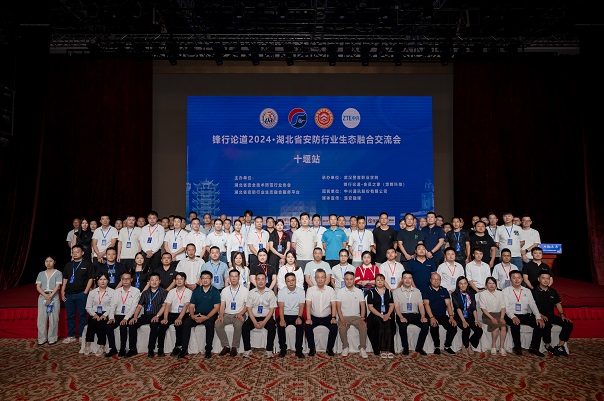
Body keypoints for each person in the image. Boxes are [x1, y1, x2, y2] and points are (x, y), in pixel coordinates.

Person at [178, 271, 221, 359]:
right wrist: (192, 316)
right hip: (197, 314)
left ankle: (208, 349)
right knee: (186, 322)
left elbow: (216, 308)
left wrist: (206, 317)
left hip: (209, 315)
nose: (205, 280)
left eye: (207, 278)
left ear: (211, 279)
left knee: (210, 325)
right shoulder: (196, 291)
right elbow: (191, 306)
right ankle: (184, 349)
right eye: (203, 278)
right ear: (200, 279)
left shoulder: (215, 291)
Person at [502, 270, 545, 356]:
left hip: (525, 315)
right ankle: (517, 347)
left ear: (522, 279)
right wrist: (513, 317)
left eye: (518, 278)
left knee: (539, 324)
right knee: (515, 324)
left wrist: (538, 317)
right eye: (514, 278)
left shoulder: (527, 291)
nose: (516, 280)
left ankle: (534, 347)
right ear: (510, 279)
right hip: (511, 315)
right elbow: (506, 307)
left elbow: (533, 305)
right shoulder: (505, 291)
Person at [532, 270, 572, 356]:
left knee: (568, 324)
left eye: (548, 278)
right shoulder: (534, 291)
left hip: (551, 315)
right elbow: (531, 307)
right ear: (539, 279)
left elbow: (558, 304)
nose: (546, 280)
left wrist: (562, 314)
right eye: (543, 278)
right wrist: (540, 315)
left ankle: (560, 346)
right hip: (539, 316)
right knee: (546, 324)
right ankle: (547, 345)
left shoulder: (553, 291)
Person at [127, 272, 168, 357]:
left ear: (159, 281)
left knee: (154, 324)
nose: (154, 282)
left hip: (157, 315)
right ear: (149, 281)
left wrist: (157, 316)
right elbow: (139, 306)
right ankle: (132, 349)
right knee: (132, 324)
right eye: (152, 280)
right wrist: (135, 317)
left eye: (156, 280)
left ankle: (151, 349)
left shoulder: (164, 292)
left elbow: (164, 306)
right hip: (146, 316)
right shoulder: (145, 293)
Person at [61, 245, 95, 343]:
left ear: (82, 253)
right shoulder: (68, 265)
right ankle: (70, 335)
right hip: (68, 294)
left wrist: (85, 292)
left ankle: (81, 335)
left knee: (82, 316)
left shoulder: (87, 264)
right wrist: (62, 292)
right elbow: (65, 279)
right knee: (70, 316)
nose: (75, 254)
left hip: (81, 294)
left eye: (77, 252)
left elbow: (91, 279)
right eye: (73, 252)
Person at [242, 272, 278, 358]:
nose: (261, 281)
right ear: (255, 281)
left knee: (272, 327)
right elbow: (249, 309)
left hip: (267, 317)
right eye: (258, 279)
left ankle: (269, 350)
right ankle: (247, 349)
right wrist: (254, 322)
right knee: (245, 326)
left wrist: (264, 322)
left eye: (263, 279)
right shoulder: (251, 292)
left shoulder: (270, 293)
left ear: (266, 281)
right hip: (254, 317)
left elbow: (272, 310)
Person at [393, 271, 429, 355]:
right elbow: (396, 307)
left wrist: (423, 316)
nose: (407, 280)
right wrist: (401, 317)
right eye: (405, 278)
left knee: (425, 325)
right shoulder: (396, 291)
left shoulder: (417, 291)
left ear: (412, 279)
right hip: (402, 314)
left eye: (409, 278)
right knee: (402, 326)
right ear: (402, 280)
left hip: (415, 315)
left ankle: (419, 347)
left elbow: (421, 306)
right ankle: (405, 347)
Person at [106, 271, 141, 357]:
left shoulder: (136, 291)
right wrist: (111, 317)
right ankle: (113, 348)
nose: (125, 281)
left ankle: (124, 349)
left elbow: (134, 307)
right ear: (121, 280)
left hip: (129, 315)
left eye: (127, 279)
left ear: (131, 280)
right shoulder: (117, 291)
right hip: (118, 315)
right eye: (123, 279)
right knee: (108, 326)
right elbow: (113, 305)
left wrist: (126, 318)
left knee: (124, 325)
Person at [158, 272, 192, 357]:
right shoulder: (171, 292)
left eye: (181, 279)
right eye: (177, 279)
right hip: (172, 313)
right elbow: (167, 305)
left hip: (183, 314)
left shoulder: (188, 292)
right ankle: (160, 348)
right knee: (162, 325)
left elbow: (186, 306)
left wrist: (179, 318)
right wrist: (165, 318)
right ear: (175, 281)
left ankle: (178, 347)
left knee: (178, 324)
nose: (179, 281)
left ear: (185, 281)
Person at [305, 269, 338, 356]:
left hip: (327, 317)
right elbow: (308, 305)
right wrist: (308, 318)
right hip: (314, 317)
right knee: (307, 327)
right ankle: (312, 348)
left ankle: (329, 348)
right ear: (315, 278)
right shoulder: (310, 290)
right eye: (318, 277)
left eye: (322, 277)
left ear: (325, 278)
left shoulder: (330, 290)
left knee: (334, 327)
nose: (320, 280)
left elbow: (334, 305)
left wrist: (333, 317)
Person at [215, 269, 249, 357]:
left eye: (235, 276)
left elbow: (247, 305)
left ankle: (235, 347)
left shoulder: (245, 290)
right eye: (232, 276)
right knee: (218, 324)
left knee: (238, 325)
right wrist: (221, 315)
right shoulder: (225, 290)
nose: (234, 278)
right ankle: (226, 346)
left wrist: (241, 313)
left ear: (239, 278)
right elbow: (222, 305)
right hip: (227, 314)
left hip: (239, 314)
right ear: (229, 278)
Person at [423, 272, 457, 355]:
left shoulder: (444, 290)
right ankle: (437, 346)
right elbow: (426, 304)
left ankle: (447, 346)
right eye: (434, 279)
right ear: (430, 280)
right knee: (434, 325)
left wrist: (451, 317)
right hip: (431, 315)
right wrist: (431, 317)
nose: (436, 281)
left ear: (440, 280)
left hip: (442, 315)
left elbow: (448, 304)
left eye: (438, 279)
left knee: (453, 326)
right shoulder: (426, 290)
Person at [336, 271, 368, 358]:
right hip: (344, 317)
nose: (349, 281)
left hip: (357, 317)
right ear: (344, 280)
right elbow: (338, 307)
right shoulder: (340, 291)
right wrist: (342, 319)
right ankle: (345, 347)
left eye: (351, 279)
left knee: (363, 327)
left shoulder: (359, 291)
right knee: (342, 328)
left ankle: (362, 348)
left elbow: (363, 306)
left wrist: (362, 318)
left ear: (354, 280)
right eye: (347, 279)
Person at [83, 273, 116, 356]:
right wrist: (94, 315)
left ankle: (102, 346)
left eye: (104, 279)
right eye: (100, 279)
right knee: (92, 322)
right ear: (97, 281)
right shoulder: (92, 292)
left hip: (106, 313)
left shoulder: (112, 292)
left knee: (102, 323)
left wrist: (105, 315)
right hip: (94, 312)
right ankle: (87, 345)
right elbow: (88, 307)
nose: (102, 281)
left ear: (108, 281)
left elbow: (113, 306)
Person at [451, 276, 483, 355]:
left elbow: (474, 308)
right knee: (466, 329)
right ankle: (466, 346)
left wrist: (476, 320)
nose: (463, 285)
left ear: (467, 284)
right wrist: (463, 321)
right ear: (458, 284)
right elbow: (458, 308)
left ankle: (469, 343)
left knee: (479, 330)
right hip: (459, 316)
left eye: (465, 283)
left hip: (469, 316)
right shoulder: (455, 294)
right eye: (461, 284)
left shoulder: (471, 294)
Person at [366, 273, 395, 358]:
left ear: (384, 281)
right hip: (375, 315)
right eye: (378, 280)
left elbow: (391, 305)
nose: (380, 282)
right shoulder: (371, 292)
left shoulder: (389, 292)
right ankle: (381, 349)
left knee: (388, 324)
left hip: (387, 314)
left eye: (382, 280)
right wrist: (381, 316)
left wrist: (388, 314)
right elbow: (370, 307)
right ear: (375, 282)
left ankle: (389, 349)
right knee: (380, 324)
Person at [277, 272, 306, 358]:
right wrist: (282, 319)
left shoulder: (301, 291)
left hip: (296, 314)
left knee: (300, 325)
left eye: (293, 280)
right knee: (280, 325)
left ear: (295, 280)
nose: (291, 282)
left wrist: (299, 317)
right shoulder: (281, 292)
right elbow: (281, 307)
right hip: (285, 314)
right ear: (285, 282)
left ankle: (299, 350)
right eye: (288, 281)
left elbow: (301, 306)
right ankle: (283, 348)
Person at [477, 277, 508, 355]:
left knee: (503, 327)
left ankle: (502, 347)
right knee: (496, 326)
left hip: (499, 314)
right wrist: (492, 318)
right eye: (489, 283)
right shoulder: (483, 294)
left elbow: (503, 307)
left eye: (493, 283)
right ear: (486, 285)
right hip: (487, 315)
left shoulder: (500, 293)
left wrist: (502, 317)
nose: (491, 285)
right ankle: (493, 346)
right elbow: (483, 308)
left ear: (496, 285)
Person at [36, 255, 63, 345]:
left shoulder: (58, 273)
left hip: (54, 296)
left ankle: (52, 338)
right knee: (41, 319)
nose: (48, 263)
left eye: (50, 261)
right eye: (46, 261)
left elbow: (58, 286)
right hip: (42, 296)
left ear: (54, 262)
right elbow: (38, 287)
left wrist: (50, 296)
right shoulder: (41, 274)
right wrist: (45, 296)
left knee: (53, 318)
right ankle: (42, 338)